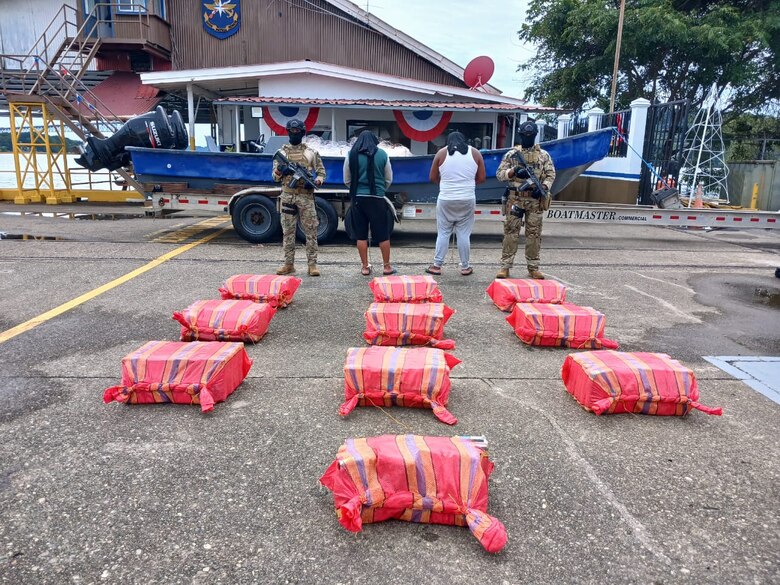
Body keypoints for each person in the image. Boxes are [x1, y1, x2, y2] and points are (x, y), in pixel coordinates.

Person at [495, 120, 556, 280]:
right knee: (510, 232)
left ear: (535, 136)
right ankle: (505, 266)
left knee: (534, 234)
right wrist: (513, 171)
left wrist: (543, 186)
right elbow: (499, 175)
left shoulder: (544, 155)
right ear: (520, 135)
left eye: (531, 135)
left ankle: (533, 267)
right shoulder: (511, 155)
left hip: (535, 201)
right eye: (525, 135)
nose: (528, 137)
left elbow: (551, 174)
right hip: (515, 199)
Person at [426, 131, 486, 276]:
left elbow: (432, 177)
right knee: (464, 234)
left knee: (443, 233)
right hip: (467, 199)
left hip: (446, 198)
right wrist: (468, 185)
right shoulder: (476, 153)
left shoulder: (441, 153)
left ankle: (437, 265)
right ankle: (465, 267)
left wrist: (445, 184)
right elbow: (482, 177)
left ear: (448, 142)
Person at [272, 118, 326, 276]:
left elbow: (322, 172)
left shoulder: (311, 152)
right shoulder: (281, 153)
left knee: (311, 231)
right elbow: (275, 178)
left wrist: (316, 181)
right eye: (292, 131)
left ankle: (312, 264)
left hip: (306, 198)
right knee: (288, 232)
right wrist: (280, 171)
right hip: (288, 196)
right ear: (288, 132)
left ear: (302, 133)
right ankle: (289, 264)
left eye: (297, 132)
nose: (294, 134)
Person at [343, 130, 395, 276]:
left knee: (361, 234)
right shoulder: (383, 154)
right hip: (377, 198)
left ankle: (365, 267)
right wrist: (379, 190)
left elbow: (347, 179)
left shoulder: (351, 155)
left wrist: (357, 189)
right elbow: (388, 178)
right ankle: (386, 267)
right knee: (383, 234)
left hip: (358, 198)